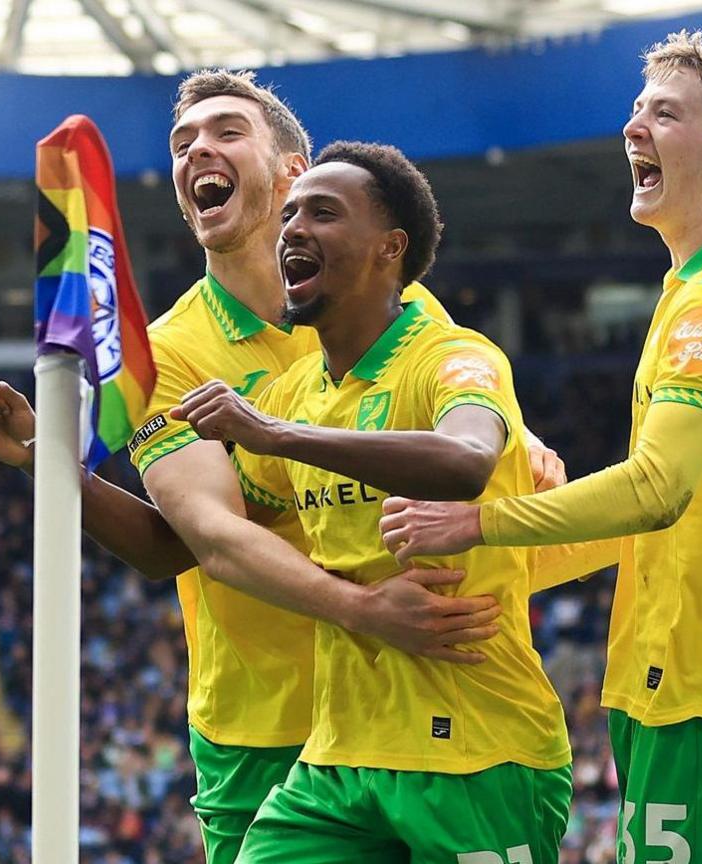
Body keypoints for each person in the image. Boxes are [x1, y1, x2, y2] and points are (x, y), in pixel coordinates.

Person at [0, 69, 563, 864]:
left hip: (427, 702)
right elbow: (193, 537)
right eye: (182, 145)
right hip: (264, 723)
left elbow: (460, 455)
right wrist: (362, 606)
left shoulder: (402, 312)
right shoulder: (169, 355)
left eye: (225, 133)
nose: (197, 151)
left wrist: (522, 459)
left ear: (293, 169)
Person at [378, 30, 702, 863]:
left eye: (665, 113)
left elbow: (656, 490)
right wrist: (511, 569)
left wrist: (474, 527)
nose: (634, 127)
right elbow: (667, 512)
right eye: (635, 109)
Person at [174, 142, 606, 863]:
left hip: (477, 753)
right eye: (289, 216)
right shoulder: (296, 394)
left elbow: (467, 461)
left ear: (389, 248)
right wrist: (49, 465)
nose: (292, 231)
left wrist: (274, 434)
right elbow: (188, 537)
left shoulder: (451, 357)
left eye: (323, 213)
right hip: (338, 765)